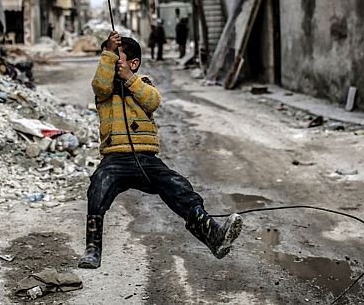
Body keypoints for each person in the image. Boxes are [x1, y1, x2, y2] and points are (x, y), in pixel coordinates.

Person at [78, 31, 243, 269]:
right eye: (108, 59)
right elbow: (100, 85)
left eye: (118, 59)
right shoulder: (104, 90)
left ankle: (213, 235)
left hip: (145, 158)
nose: (112, 63)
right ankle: (92, 249)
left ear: (133, 64)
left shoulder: (142, 83)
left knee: (177, 185)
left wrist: (129, 79)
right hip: (115, 157)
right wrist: (108, 52)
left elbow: (152, 101)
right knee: (98, 187)